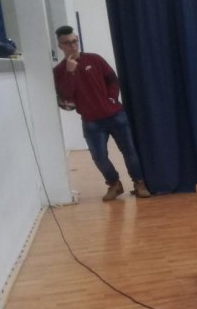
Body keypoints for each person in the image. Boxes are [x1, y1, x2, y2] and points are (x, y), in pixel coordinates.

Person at [53, 26, 151, 201]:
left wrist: (112, 99)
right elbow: (66, 96)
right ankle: (114, 184)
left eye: (75, 41)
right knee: (99, 157)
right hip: (91, 122)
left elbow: (112, 79)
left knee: (129, 151)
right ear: (60, 46)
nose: (73, 46)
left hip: (115, 115)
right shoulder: (59, 71)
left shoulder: (95, 59)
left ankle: (139, 183)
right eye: (67, 43)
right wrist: (70, 72)